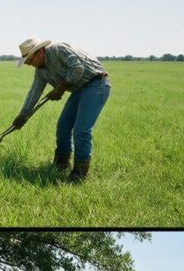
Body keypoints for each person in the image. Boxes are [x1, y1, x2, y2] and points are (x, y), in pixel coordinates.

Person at [14, 36, 111, 183]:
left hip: (96, 84)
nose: (28, 64)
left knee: (81, 130)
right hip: (80, 89)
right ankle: (61, 165)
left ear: (39, 52)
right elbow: (34, 92)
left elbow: (78, 67)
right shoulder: (41, 71)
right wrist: (24, 113)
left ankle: (79, 174)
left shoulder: (58, 50)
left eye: (29, 60)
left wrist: (61, 87)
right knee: (63, 126)